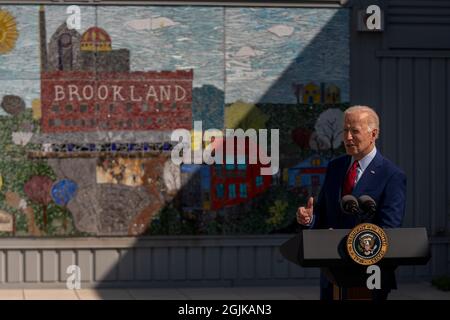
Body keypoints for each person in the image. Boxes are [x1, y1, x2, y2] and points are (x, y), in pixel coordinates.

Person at [296, 105, 406, 301]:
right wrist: (309, 218)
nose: (347, 137)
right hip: (333, 273)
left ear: (373, 134)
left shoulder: (391, 175)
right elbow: (323, 212)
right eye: (344, 130)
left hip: (369, 274)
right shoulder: (335, 167)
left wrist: (351, 243)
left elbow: (389, 227)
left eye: (354, 131)